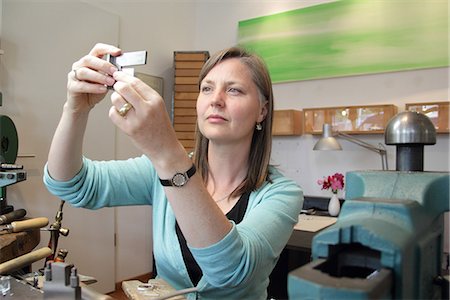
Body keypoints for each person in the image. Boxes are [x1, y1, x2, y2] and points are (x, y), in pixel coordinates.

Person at [43, 43, 303, 299]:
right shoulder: (156, 170)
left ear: (262, 110)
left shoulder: (282, 194)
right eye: (207, 89)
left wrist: (168, 153)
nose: (216, 100)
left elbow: (232, 270)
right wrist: (75, 109)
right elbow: (70, 184)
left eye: (234, 90)